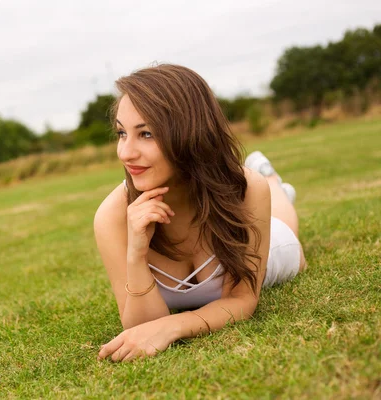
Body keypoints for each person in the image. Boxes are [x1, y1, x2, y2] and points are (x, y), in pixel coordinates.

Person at [94, 64, 307, 362]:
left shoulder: (246, 190)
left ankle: (272, 179)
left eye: (146, 134)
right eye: (121, 133)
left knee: (285, 222)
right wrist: (137, 254)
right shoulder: (112, 216)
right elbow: (143, 329)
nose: (126, 153)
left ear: (189, 132)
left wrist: (175, 326)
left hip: (274, 251)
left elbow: (242, 300)